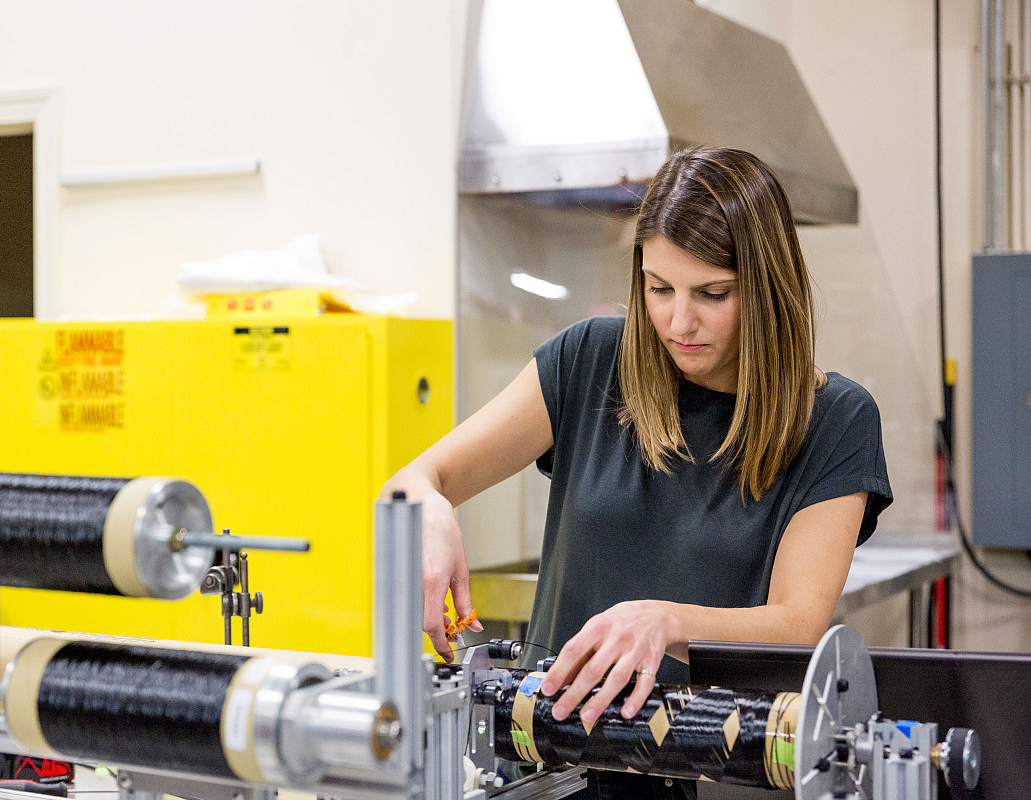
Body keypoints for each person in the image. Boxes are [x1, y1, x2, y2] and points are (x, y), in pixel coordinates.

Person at [381, 146, 892, 799]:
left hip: (708, 773)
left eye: (714, 293)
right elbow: (413, 481)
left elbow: (798, 623)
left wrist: (667, 622)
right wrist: (425, 506)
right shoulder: (589, 361)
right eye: (659, 289)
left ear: (767, 289)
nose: (680, 321)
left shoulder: (834, 420)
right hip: (545, 771)